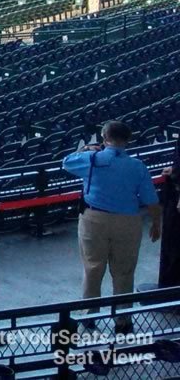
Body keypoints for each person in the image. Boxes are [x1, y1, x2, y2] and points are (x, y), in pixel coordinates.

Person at [62, 121, 161, 320]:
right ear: (127, 140)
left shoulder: (92, 159)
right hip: (128, 222)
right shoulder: (137, 166)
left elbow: (66, 162)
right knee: (124, 271)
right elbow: (151, 199)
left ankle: (89, 316)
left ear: (104, 138)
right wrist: (157, 224)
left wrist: (87, 149)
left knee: (92, 268)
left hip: (94, 219)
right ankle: (123, 319)